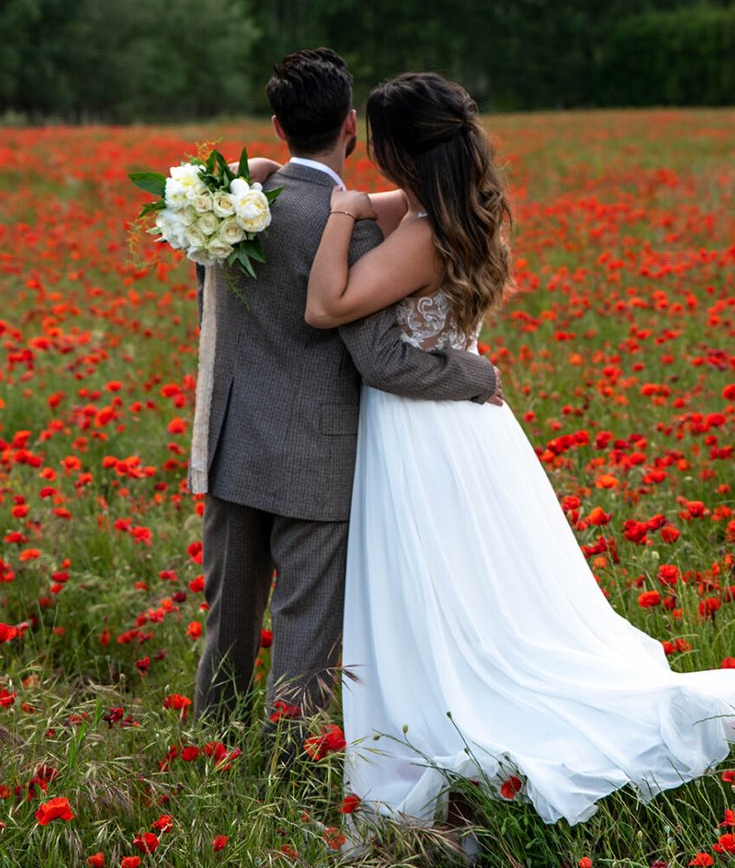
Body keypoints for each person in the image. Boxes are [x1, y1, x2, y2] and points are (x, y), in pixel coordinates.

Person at [301, 71, 735, 828]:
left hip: (421, 432)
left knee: (436, 595)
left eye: (378, 145)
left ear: (402, 151)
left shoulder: (421, 236)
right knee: (471, 591)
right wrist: (314, 189)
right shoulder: (449, 207)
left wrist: (339, 212)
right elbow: (372, 207)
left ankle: (453, 724)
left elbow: (326, 304)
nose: (369, 159)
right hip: (465, 428)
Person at [191, 50, 502, 743]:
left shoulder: (224, 206)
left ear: (277, 126)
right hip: (317, 454)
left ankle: (210, 749)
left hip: (233, 439)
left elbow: (210, 305)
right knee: (304, 636)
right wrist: (477, 374)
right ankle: (284, 770)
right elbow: (380, 357)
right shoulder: (355, 228)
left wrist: (256, 175)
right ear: (352, 126)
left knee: (227, 624)